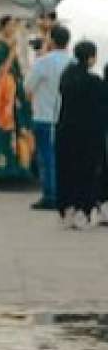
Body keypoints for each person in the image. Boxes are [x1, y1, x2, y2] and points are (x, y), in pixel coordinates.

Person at [56, 40, 108, 229]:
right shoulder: (94, 82)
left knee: (67, 171)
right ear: (91, 58)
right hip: (88, 135)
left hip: (65, 132)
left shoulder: (67, 78)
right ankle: (82, 211)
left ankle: (67, 210)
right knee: (86, 173)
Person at [25, 24, 72, 211]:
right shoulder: (73, 62)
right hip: (66, 116)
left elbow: (27, 87)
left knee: (46, 157)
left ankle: (49, 195)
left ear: (51, 40)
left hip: (44, 116)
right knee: (65, 157)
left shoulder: (43, 62)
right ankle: (64, 193)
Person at [0, 15, 34, 185]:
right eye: (10, 25)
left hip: (13, 94)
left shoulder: (10, 44)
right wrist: (12, 53)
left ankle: (18, 166)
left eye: (14, 25)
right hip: (2, 95)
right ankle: (0, 168)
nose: (13, 28)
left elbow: (16, 71)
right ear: (3, 26)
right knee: (0, 130)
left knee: (18, 128)